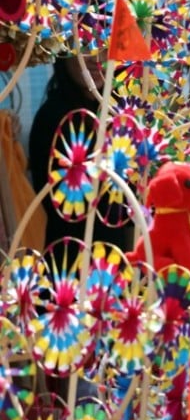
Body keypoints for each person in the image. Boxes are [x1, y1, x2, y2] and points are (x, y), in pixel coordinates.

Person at [28, 53, 133, 266]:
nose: (96, 58)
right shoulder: (52, 117)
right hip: (69, 262)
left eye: (104, 46)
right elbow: (62, 206)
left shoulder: (121, 111)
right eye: (84, 46)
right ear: (64, 55)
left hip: (117, 262)